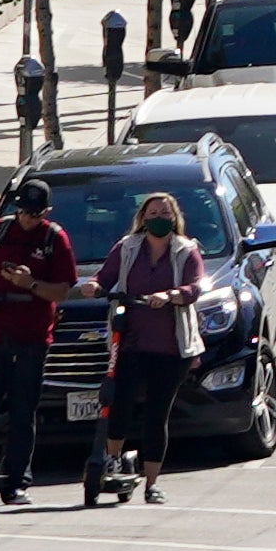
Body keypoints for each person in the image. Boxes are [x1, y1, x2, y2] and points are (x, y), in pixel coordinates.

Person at [0, 180, 80, 509]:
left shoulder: (54, 239)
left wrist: (29, 283)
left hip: (32, 336)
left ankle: (17, 481)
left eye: (33, 214)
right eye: (21, 210)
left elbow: (62, 291)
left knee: (24, 409)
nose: (26, 218)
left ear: (45, 213)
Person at [96, 188, 207, 502]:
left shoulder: (186, 250)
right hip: (130, 342)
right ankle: (112, 460)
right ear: (142, 218)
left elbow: (195, 285)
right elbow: (106, 277)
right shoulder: (127, 247)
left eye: (165, 213)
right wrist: (94, 286)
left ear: (175, 219)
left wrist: (171, 295)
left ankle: (152, 483)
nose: (159, 218)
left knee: (156, 414)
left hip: (171, 348)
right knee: (119, 402)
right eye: (153, 213)